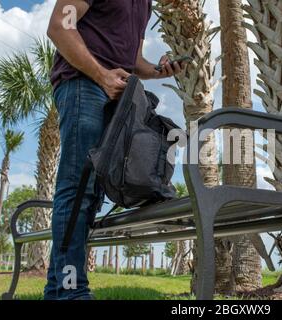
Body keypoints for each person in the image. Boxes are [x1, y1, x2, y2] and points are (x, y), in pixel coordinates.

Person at [45, 0, 184, 300]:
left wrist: (159, 70)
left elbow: (133, 61)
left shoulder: (143, 4)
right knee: (78, 188)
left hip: (118, 95)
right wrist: (100, 74)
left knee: (92, 194)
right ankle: (72, 291)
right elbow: (59, 26)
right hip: (83, 83)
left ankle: (58, 290)